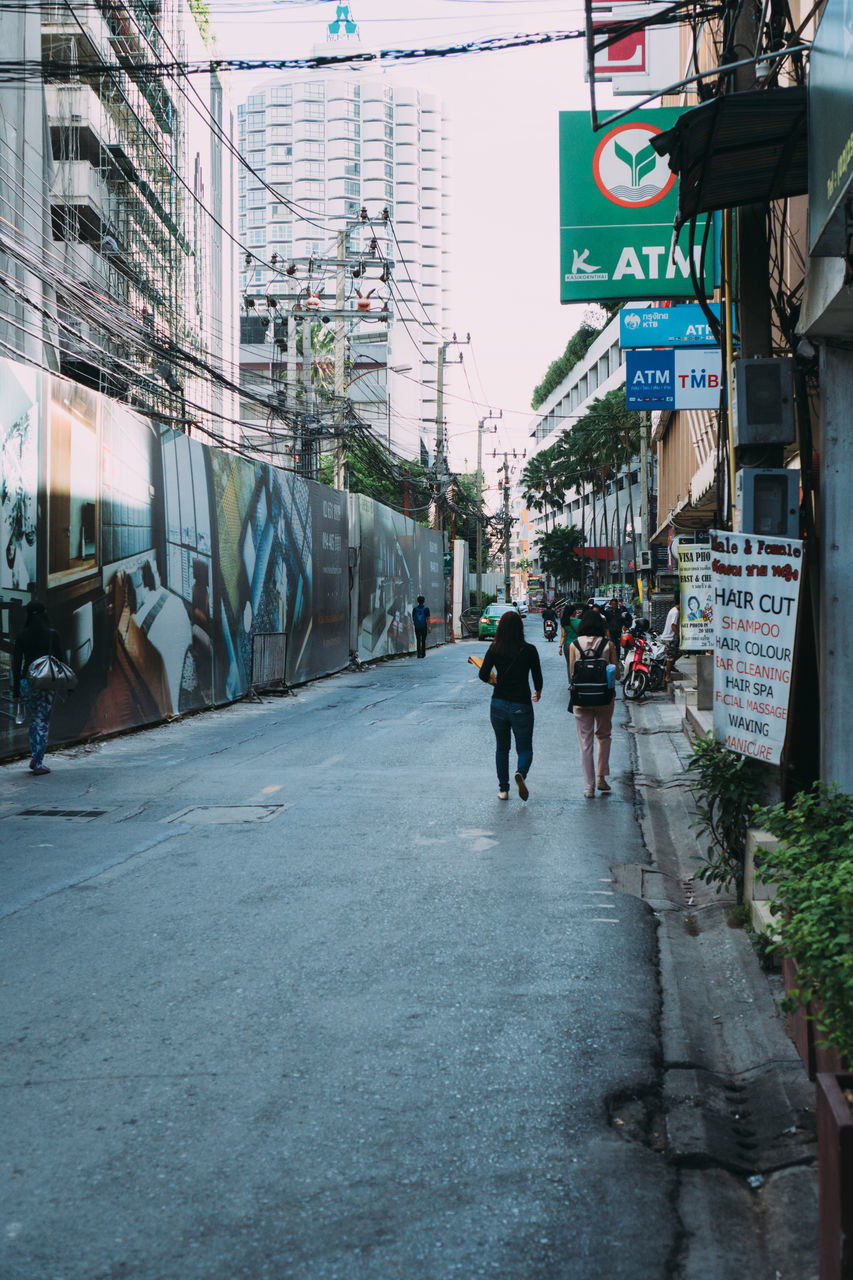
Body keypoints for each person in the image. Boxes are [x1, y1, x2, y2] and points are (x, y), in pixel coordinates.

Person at [479, 609, 542, 802]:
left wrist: (495, 681)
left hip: (498, 703)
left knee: (501, 748)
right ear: (520, 628)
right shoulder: (529, 649)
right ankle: (520, 773)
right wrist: (537, 692)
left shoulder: (494, 648)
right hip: (521, 704)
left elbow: (483, 674)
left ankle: (503, 790)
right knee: (524, 748)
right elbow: (537, 677)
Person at [569, 610, 618, 798]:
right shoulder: (609, 645)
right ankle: (601, 778)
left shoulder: (574, 645)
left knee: (585, 742)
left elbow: (572, 674)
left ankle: (588, 787)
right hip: (604, 698)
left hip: (581, 698)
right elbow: (617, 674)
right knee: (604, 736)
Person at [12, 600, 64, 775]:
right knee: (43, 721)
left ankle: (34, 756)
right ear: (44, 613)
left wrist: (16, 692)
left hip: (26, 681)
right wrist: (67, 684)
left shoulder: (21, 635)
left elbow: (16, 664)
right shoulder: (52, 634)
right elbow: (62, 660)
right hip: (45, 683)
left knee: (34, 720)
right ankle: (38, 763)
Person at [559, 602, 582, 684]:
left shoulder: (564, 622)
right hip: (579, 645)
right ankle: (578, 680)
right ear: (573, 612)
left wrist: (560, 647)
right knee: (579, 662)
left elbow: (563, 635)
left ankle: (571, 683)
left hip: (567, 645)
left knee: (569, 664)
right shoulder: (580, 621)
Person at [663, 597, 681, 683]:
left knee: (682, 651)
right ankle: (667, 675)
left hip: (672, 637)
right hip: (670, 637)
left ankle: (672, 665)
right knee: (670, 658)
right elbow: (673, 626)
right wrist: (680, 635)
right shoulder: (676, 612)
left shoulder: (674, 610)